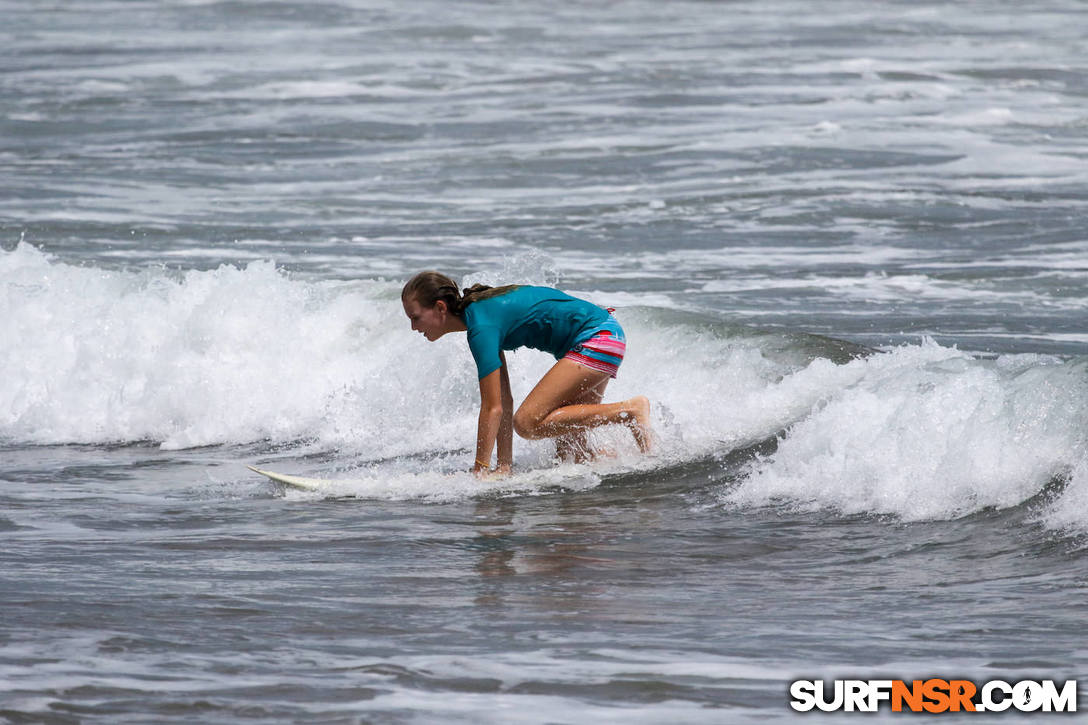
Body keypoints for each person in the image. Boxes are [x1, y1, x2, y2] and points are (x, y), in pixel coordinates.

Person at [401, 271, 653, 478]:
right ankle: (635, 458)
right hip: (605, 336)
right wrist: (503, 467)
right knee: (572, 455)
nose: (413, 327)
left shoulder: (481, 326)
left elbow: (492, 409)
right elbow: (503, 401)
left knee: (527, 423)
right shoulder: (481, 316)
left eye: (415, 317)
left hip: (597, 338)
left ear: (440, 307)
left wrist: (479, 471)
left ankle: (630, 410)